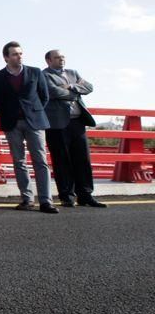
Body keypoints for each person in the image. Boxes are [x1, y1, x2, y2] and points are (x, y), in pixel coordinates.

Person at [0, 41, 58, 213]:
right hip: (12, 123)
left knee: (40, 161)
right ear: (6, 57)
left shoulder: (35, 72)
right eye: (14, 54)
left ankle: (46, 201)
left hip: (34, 121)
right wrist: (11, 112)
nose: (19, 56)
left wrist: (33, 111)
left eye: (20, 53)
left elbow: (44, 96)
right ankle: (27, 199)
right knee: (19, 161)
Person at [43, 50, 105, 208]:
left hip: (78, 122)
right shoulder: (45, 75)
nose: (61, 59)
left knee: (83, 159)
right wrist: (76, 92)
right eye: (57, 57)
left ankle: (85, 195)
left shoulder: (73, 73)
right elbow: (53, 92)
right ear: (48, 61)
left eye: (63, 57)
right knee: (62, 160)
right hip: (57, 124)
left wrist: (71, 86)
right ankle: (67, 196)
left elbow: (89, 87)